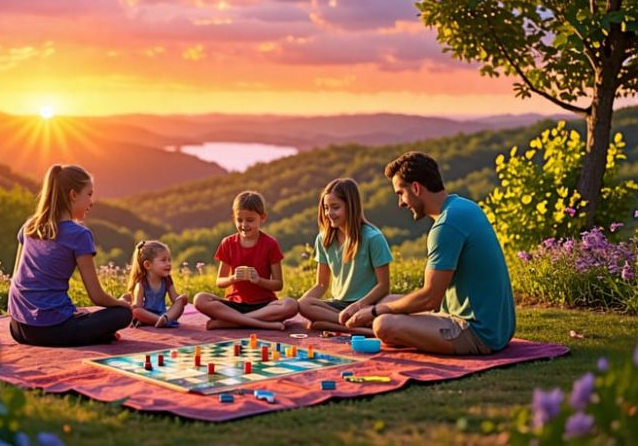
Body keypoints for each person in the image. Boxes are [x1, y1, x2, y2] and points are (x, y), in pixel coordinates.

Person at [360, 151, 515, 354]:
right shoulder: (464, 206)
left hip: (480, 333)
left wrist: (374, 312)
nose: (401, 203)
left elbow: (430, 299)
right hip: (499, 328)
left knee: (383, 324)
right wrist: (378, 307)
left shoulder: (446, 226)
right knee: (385, 302)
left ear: (416, 188)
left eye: (400, 193)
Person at [7, 164, 132, 347]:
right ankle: (96, 333)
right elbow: (96, 296)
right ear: (73, 195)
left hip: (17, 326)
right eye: (89, 194)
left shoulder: (30, 226)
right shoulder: (80, 235)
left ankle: (90, 331)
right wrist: (122, 304)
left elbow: (16, 276)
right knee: (123, 315)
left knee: (80, 315)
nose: (92, 201)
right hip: (52, 331)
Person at [298, 178, 392, 335]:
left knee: (316, 323)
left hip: (366, 304)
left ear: (351, 206)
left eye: (335, 207)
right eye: (326, 208)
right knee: (305, 304)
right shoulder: (323, 239)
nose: (329, 214)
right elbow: (321, 285)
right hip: (339, 305)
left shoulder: (373, 238)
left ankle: (338, 323)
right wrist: (300, 305)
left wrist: (357, 306)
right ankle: (358, 327)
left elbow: (383, 286)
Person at [193, 190, 298, 330]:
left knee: (291, 305)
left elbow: (278, 284)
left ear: (262, 218)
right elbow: (220, 282)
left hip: (264, 305)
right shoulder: (227, 243)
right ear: (233, 218)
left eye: (250, 220)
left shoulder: (270, 244)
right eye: (239, 220)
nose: (244, 225)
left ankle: (231, 322)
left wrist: (259, 280)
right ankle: (258, 323)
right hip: (234, 305)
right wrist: (233, 278)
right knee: (200, 299)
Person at [126, 240, 188, 327]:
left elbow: (175, 299)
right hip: (147, 315)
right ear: (147, 265)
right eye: (163, 260)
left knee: (180, 302)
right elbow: (137, 306)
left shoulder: (167, 279)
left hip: (164, 314)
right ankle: (161, 321)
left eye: (169, 260)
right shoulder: (141, 283)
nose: (168, 264)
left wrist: (182, 299)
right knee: (136, 311)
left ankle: (165, 319)